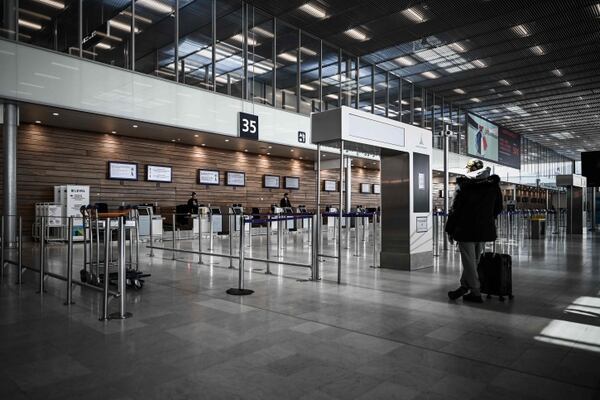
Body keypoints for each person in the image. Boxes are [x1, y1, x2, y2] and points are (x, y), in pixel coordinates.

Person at [445, 159, 503, 303]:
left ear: (470, 170)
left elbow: (455, 211)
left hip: (465, 230)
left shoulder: (463, 186)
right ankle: (464, 287)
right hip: (483, 230)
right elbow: (499, 208)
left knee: (469, 262)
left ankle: (476, 292)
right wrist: (487, 219)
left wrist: (450, 230)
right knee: (474, 261)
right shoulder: (493, 186)